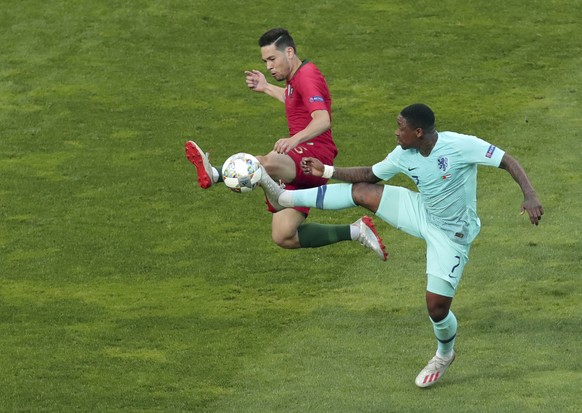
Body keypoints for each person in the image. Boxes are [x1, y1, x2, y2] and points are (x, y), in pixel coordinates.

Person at [260, 103, 544, 388]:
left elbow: (507, 160)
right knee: (362, 192)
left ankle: (445, 354)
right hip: (421, 211)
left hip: (452, 236)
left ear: (418, 132)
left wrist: (529, 195)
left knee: (437, 308)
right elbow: (369, 174)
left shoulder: (459, 145)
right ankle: (285, 198)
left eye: (401, 127)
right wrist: (327, 171)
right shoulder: (404, 154)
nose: (396, 133)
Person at [185, 28, 387, 260]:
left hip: (314, 157)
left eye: (272, 59)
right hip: (298, 161)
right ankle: (357, 230)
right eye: (265, 61)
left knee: (265, 161)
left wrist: (294, 139)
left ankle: (215, 174)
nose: (269, 66)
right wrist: (266, 87)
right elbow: (292, 99)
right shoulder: (295, 78)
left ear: (289, 52)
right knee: (284, 235)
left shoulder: (307, 75)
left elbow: (323, 119)